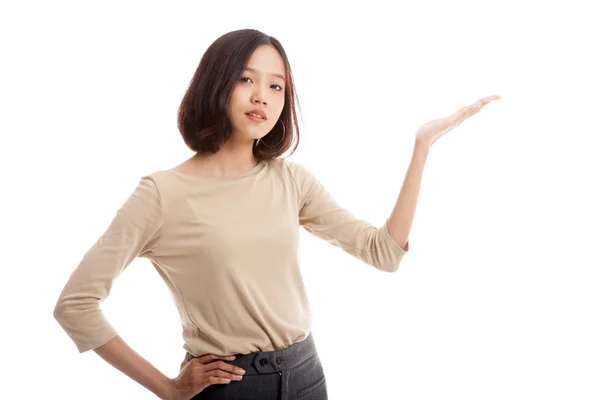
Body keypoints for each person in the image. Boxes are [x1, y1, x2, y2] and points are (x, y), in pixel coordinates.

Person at [53, 28, 500, 400]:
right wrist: (168, 389)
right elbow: (75, 305)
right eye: (247, 79)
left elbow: (383, 253)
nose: (262, 96)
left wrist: (421, 148)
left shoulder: (290, 181)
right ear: (216, 83)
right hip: (230, 388)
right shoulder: (162, 194)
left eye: (276, 86)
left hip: (307, 375)